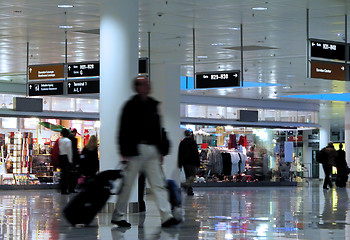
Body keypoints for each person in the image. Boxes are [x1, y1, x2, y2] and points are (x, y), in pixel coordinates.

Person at [111, 76, 180, 228]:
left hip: (151, 150)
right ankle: (118, 215)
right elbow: (124, 130)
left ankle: (166, 216)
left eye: (148, 83)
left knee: (158, 184)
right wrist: (124, 152)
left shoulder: (153, 105)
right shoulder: (130, 106)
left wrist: (161, 150)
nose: (148, 86)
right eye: (144, 84)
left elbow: (158, 130)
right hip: (135, 150)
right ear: (137, 87)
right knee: (128, 185)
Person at [178, 130, 200, 195]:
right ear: (190, 134)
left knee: (187, 176)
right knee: (192, 175)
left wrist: (180, 164)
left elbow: (180, 154)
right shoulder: (192, 142)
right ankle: (186, 185)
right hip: (192, 162)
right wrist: (198, 163)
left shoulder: (182, 143)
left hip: (185, 163)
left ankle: (189, 190)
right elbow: (195, 153)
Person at [58, 128, 73, 194]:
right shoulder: (68, 141)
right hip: (66, 157)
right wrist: (70, 160)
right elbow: (69, 152)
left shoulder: (59, 140)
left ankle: (62, 188)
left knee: (62, 174)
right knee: (66, 174)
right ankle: (65, 189)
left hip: (60, 157)